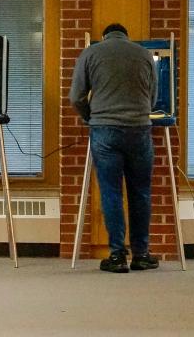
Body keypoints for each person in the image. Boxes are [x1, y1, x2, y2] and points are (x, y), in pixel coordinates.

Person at [69, 23, 160, 273]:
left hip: (104, 130)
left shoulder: (91, 53)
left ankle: (117, 256)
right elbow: (152, 97)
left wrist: (91, 117)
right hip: (139, 129)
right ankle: (141, 255)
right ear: (127, 35)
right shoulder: (143, 54)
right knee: (140, 192)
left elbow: (76, 96)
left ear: (104, 36)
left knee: (111, 192)